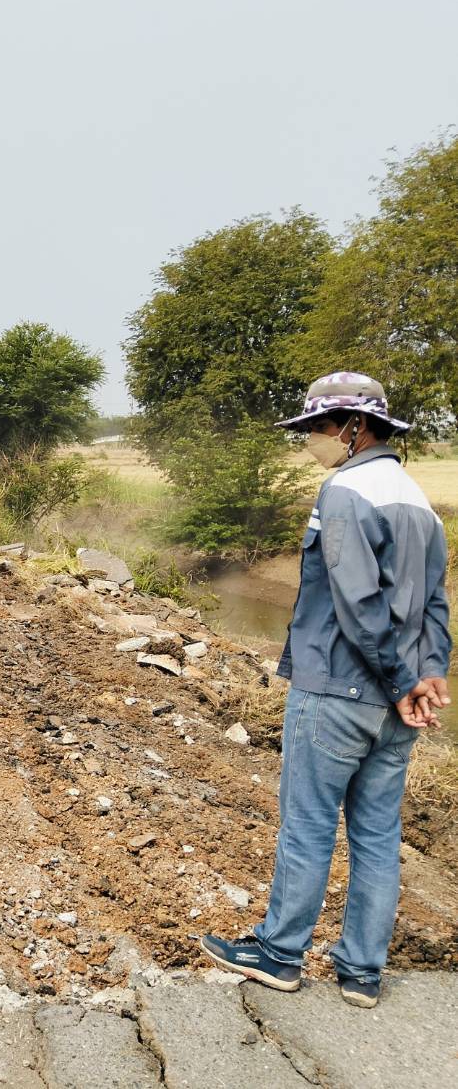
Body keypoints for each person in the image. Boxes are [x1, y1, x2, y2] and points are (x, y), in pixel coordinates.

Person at [201, 372, 450, 1009]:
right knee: (377, 834)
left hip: (338, 690)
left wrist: (402, 682)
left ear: (354, 427)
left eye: (318, 427)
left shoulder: (345, 492)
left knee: (308, 824)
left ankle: (279, 953)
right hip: (395, 707)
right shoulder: (417, 500)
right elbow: (435, 604)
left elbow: (357, 604)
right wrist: (429, 674)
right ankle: (362, 972)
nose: (311, 439)